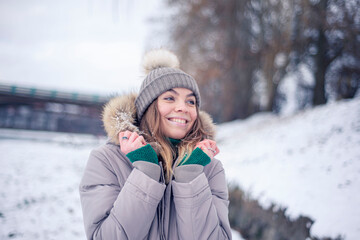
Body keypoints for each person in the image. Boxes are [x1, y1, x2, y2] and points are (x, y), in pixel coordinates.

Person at [79, 49, 232, 239]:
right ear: (148, 107)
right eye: (169, 98)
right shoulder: (106, 160)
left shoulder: (210, 168)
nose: (183, 108)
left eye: (191, 101)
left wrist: (190, 176)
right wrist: (146, 172)